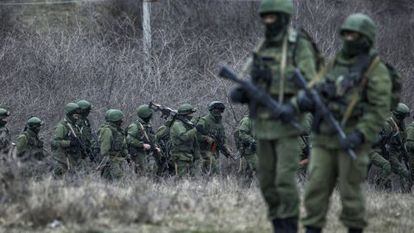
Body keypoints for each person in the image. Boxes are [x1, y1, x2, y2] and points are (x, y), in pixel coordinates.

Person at [298, 14, 392, 233]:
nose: (349, 39)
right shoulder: (335, 62)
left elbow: (378, 110)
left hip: (352, 139)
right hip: (323, 138)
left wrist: (360, 135)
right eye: (347, 34)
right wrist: (307, 99)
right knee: (315, 190)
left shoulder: (376, 70)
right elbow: (315, 87)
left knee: (351, 195)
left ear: (366, 38)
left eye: (355, 35)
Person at [230, 0, 317, 231]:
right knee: (267, 183)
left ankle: (288, 228)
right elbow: (253, 81)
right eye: (265, 17)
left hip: (288, 126)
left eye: (273, 17)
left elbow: (311, 85)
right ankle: (278, 223)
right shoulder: (263, 47)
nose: (268, 22)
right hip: (263, 125)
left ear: (283, 17)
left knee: (284, 180)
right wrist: (243, 93)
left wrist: (293, 105)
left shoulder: (299, 46)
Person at [370, 103, 411, 191]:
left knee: (393, 168)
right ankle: (379, 188)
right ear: (398, 116)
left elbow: (401, 142)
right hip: (371, 149)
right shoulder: (387, 124)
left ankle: (388, 189)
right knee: (387, 165)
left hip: (385, 150)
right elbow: (375, 141)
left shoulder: (399, 127)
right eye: (402, 117)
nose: (403, 120)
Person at [196, 101, 232, 175]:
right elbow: (196, 135)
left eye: (220, 110)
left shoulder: (220, 123)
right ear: (212, 110)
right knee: (214, 170)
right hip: (203, 151)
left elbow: (223, 137)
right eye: (217, 110)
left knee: (211, 173)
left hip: (214, 151)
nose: (219, 112)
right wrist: (206, 138)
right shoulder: (204, 120)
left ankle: (208, 185)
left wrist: (226, 147)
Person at [51, 103, 83, 176]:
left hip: (74, 157)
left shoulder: (75, 126)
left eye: (78, 116)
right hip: (64, 158)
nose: (77, 118)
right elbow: (55, 142)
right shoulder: (62, 126)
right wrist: (70, 143)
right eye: (75, 116)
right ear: (69, 114)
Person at [127, 104, 160, 175]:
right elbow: (129, 139)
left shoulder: (147, 126)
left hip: (147, 152)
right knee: (142, 171)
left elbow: (151, 138)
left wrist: (155, 147)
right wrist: (142, 145)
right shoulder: (135, 126)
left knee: (152, 169)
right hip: (139, 152)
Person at [169, 104, 201, 177]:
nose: (192, 115)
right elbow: (184, 137)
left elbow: (194, 141)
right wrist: (195, 129)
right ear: (186, 114)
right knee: (181, 179)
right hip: (180, 157)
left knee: (191, 179)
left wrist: (197, 156)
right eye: (191, 113)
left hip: (189, 156)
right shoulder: (177, 124)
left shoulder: (187, 124)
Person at [98, 109, 128, 180]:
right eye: (120, 119)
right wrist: (107, 160)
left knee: (109, 181)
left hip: (117, 160)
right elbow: (105, 149)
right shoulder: (107, 130)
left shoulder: (117, 130)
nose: (122, 121)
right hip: (111, 160)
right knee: (119, 181)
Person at [234, 115, 257, 180]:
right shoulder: (247, 120)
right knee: (257, 166)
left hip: (255, 148)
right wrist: (252, 140)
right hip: (247, 149)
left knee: (249, 168)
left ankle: (244, 186)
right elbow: (242, 134)